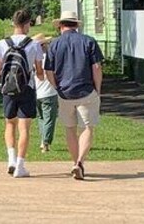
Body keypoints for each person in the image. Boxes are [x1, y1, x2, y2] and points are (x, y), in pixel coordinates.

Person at [0, 9, 45, 178]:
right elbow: (39, 71)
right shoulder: (34, 45)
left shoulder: (2, 44)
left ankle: (10, 159)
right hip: (27, 88)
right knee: (24, 128)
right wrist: (41, 76)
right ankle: (20, 165)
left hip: (8, 89)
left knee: (10, 124)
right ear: (26, 24)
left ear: (13, 24)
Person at [44, 10, 104, 180]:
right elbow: (97, 68)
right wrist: (98, 88)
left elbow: (49, 71)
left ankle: (74, 162)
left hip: (64, 92)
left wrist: (57, 87)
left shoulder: (54, 44)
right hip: (86, 90)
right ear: (76, 25)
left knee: (69, 128)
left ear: (61, 25)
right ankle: (79, 162)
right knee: (87, 127)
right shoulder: (88, 41)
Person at [32, 33, 58, 153]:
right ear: (43, 45)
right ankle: (46, 141)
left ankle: (43, 139)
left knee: (41, 118)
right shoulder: (48, 59)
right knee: (49, 119)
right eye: (47, 43)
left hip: (36, 92)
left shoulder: (33, 59)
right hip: (49, 92)